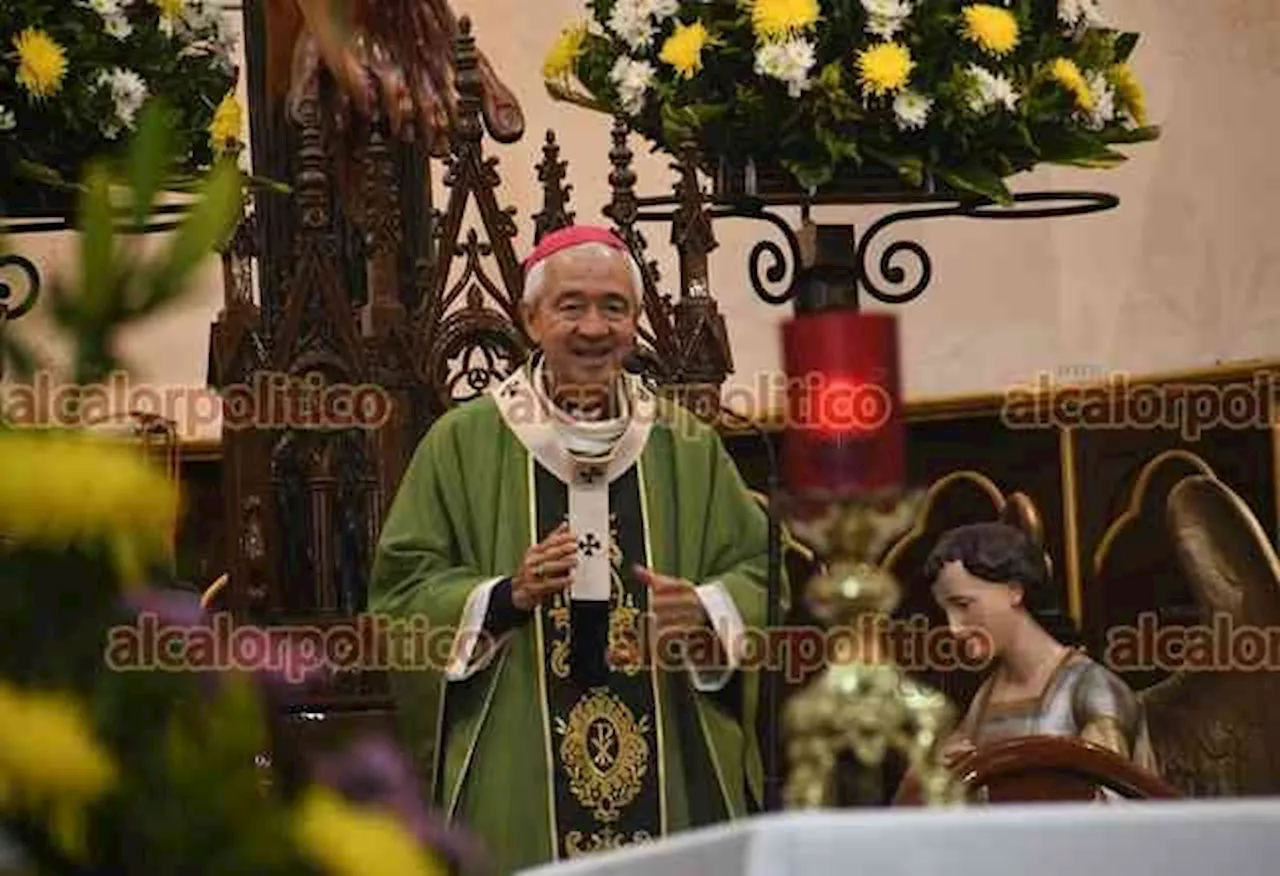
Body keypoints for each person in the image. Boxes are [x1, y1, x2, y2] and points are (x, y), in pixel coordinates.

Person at [368, 225, 772, 875]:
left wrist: (707, 609)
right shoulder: (463, 441)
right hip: (517, 753)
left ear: (638, 321)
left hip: (667, 743)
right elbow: (401, 591)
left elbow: (762, 571)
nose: (594, 326)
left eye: (614, 307)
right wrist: (502, 597)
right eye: (571, 305)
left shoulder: (687, 444)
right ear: (530, 319)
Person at [922, 522, 1158, 773]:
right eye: (946, 612)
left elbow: (1109, 798)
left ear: (1014, 591)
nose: (954, 628)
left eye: (963, 605)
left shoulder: (1090, 688)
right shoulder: (985, 697)